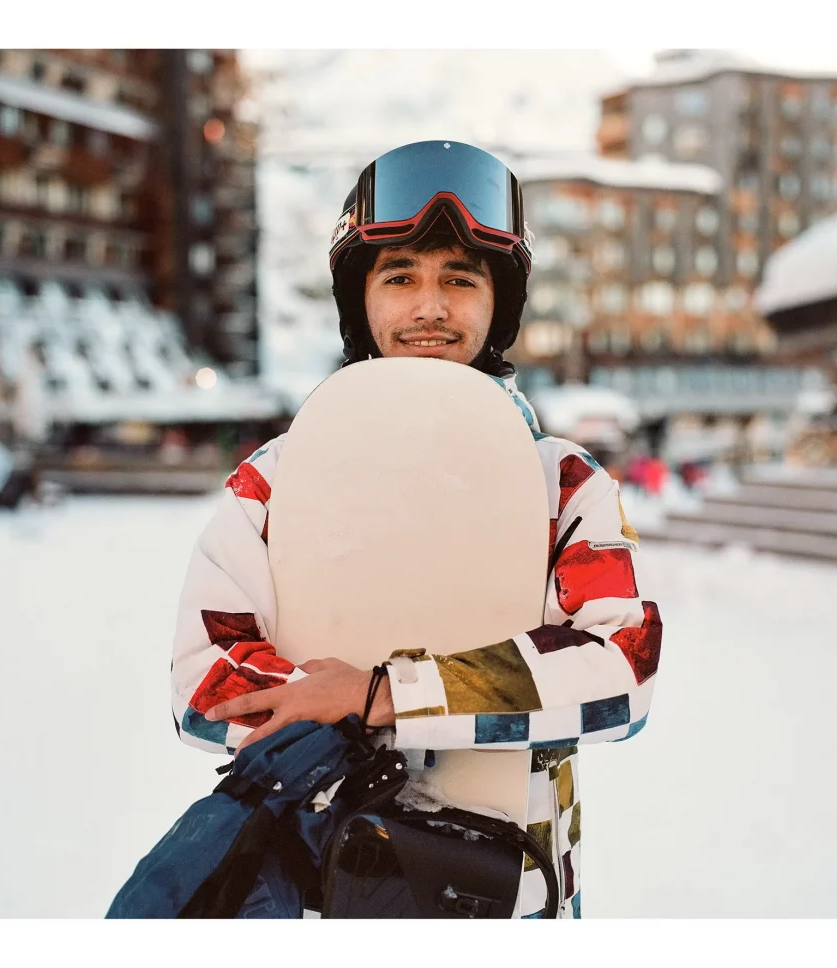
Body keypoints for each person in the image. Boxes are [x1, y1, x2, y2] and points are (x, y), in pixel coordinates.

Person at [170, 140, 664, 919]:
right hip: (321, 888)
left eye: (459, 280)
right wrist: (336, 703)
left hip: (512, 894)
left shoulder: (561, 482)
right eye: (400, 277)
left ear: (498, 300)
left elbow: (621, 670)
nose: (430, 308)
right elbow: (205, 684)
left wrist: (383, 695)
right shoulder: (277, 476)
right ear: (358, 299)